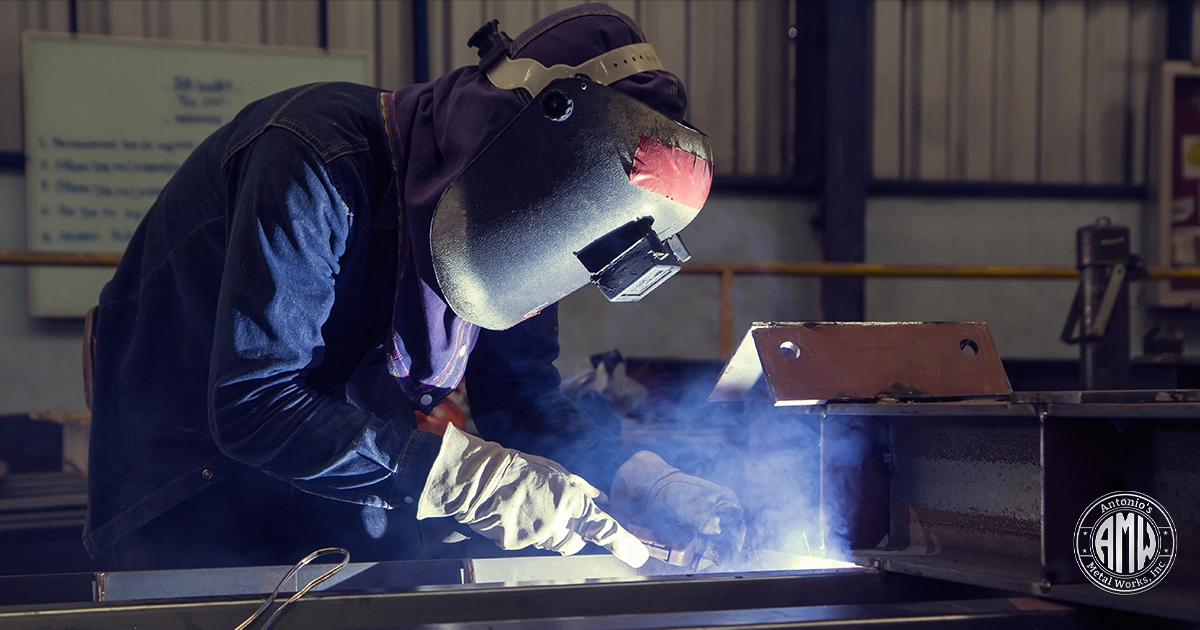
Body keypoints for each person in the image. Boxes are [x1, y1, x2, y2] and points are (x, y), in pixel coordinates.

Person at [83, 3, 744, 571]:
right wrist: (459, 477)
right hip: (195, 514)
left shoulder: (529, 221)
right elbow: (255, 405)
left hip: (341, 516)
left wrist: (639, 477)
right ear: (511, 142)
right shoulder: (312, 156)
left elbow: (522, 402)